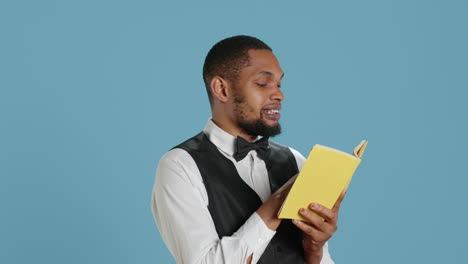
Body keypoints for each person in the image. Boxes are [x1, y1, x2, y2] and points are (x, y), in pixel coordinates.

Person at [151, 35, 345, 264]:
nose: (279, 95)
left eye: (279, 85)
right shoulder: (180, 166)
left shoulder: (296, 161)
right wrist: (275, 206)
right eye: (263, 84)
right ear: (221, 89)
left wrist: (315, 249)